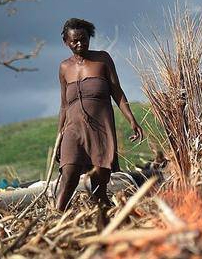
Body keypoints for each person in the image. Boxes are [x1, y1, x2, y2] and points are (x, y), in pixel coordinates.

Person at [55, 18, 143, 211]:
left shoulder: (102, 59)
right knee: (68, 177)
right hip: (73, 130)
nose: (80, 44)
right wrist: (59, 137)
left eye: (84, 39)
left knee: (98, 188)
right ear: (66, 42)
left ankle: (107, 222)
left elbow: (117, 92)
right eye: (74, 41)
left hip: (100, 131)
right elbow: (64, 105)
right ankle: (54, 220)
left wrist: (132, 120)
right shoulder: (64, 68)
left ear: (89, 38)